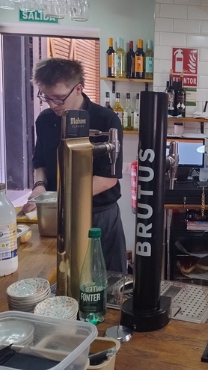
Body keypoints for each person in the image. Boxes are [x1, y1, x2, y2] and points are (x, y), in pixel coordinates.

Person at [22, 58, 126, 273]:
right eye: (46, 97)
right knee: (62, 274)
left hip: (98, 214)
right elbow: (40, 161)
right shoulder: (45, 120)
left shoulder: (106, 120)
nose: (53, 105)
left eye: (59, 98)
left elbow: (108, 179)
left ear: (78, 89)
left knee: (108, 278)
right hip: (58, 213)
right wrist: (40, 187)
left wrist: (59, 197)